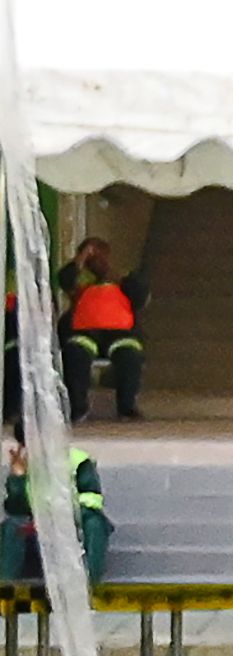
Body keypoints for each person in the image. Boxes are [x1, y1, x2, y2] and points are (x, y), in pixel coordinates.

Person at [3, 422, 115, 584]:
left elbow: (92, 498)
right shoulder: (25, 465)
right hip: (38, 526)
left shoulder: (77, 459)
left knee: (95, 523)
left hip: (74, 520)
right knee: (12, 526)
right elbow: (15, 509)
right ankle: (4, 589)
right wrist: (18, 478)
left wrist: (63, 514)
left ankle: (90, 585)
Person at [57, 239, 146, 423]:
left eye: (99, 254)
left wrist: (110, 272)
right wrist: (81, 260)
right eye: (91, 255)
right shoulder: (80, 282)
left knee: (130, 356)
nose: (95, 259)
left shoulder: (121, 280)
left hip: (120, 334)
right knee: (75, 354)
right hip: (85, 333)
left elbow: (140, 294)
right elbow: (65, 280)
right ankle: (77, 408)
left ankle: (127, 408)